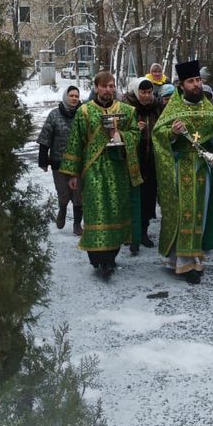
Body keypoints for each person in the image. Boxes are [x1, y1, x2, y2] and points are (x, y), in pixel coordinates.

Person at [152, 60, 213, 284]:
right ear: (182, 85)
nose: (196, 85)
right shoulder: (174, 108)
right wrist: (172, 133)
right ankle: (183, 262)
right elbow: (158, 135)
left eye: (198, 80)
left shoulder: (207, 107)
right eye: (191, 81)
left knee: (200, 213)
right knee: (184, 214)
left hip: (203, 169)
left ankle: (194, 256)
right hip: (180, 167)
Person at [60, 71, 143, 276]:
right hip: (93, 169)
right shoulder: (84, 111)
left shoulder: (126, 111)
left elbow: (135, 135)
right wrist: (73, 174)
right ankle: (97, 259)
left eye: (111, 86)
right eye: (104, 86)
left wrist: (120, 135)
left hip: (118, 170)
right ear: (96, 87)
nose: (108, 90)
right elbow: (75, 143)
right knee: (97, 212)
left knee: (115, 211)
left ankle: (110, 258)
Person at [36, 85, 84, 236]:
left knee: (78, 195)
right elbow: (45, 137)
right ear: (65, 96)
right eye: (71, 95)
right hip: (59, 163)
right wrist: (43, 160)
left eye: (76, 96)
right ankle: (62, 209)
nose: (74, 98)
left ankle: (77, 224)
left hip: (79, 163)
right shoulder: (54, 115)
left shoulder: (83, 114)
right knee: (63, 193)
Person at [124, 76, 163, 254]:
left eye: (149, 92)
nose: (147, 96)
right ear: (136, 92)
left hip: (152, 161)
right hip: (132, 161)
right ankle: (131, 233)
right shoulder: (127, 107)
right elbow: (118, 131)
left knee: (148, 198)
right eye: (143, 92)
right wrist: (134, 130)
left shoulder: (157, 107)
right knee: (132, 198)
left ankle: (144, 232)